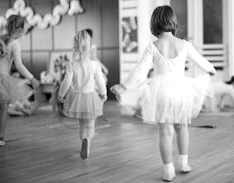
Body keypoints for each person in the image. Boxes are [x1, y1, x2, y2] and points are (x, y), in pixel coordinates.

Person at [111, 5, 216, 182]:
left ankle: (168, 171)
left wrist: (123, 86)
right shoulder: (184, 44)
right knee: (182, 128)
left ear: (154, 24)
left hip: (161, 92)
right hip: (181, 91)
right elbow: (202, 62)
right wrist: (211, 69)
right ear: (173, 22)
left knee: (165, 133)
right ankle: (183, 163)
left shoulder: (153, 47)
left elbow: (139, 72)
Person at [58, 30, 107, 159]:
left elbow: (66, 81)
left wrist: (61, 94)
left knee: (81, 125)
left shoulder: (71, 64)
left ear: (76, 47)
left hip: (77, 98)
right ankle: (87, 143)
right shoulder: (95, 65)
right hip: (91, 97)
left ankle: (83, 141)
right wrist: (103, 93)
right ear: (89, 46)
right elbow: (101, 82)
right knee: (90, 125)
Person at [0, 15, 40, 147]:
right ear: (19, 30)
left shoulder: (0, 40)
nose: (26, 30)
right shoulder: (15, 44)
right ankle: (0, 137)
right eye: (25, 27)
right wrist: (32, 79)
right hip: (2, 78)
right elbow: (19, 65)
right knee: (4, 106)